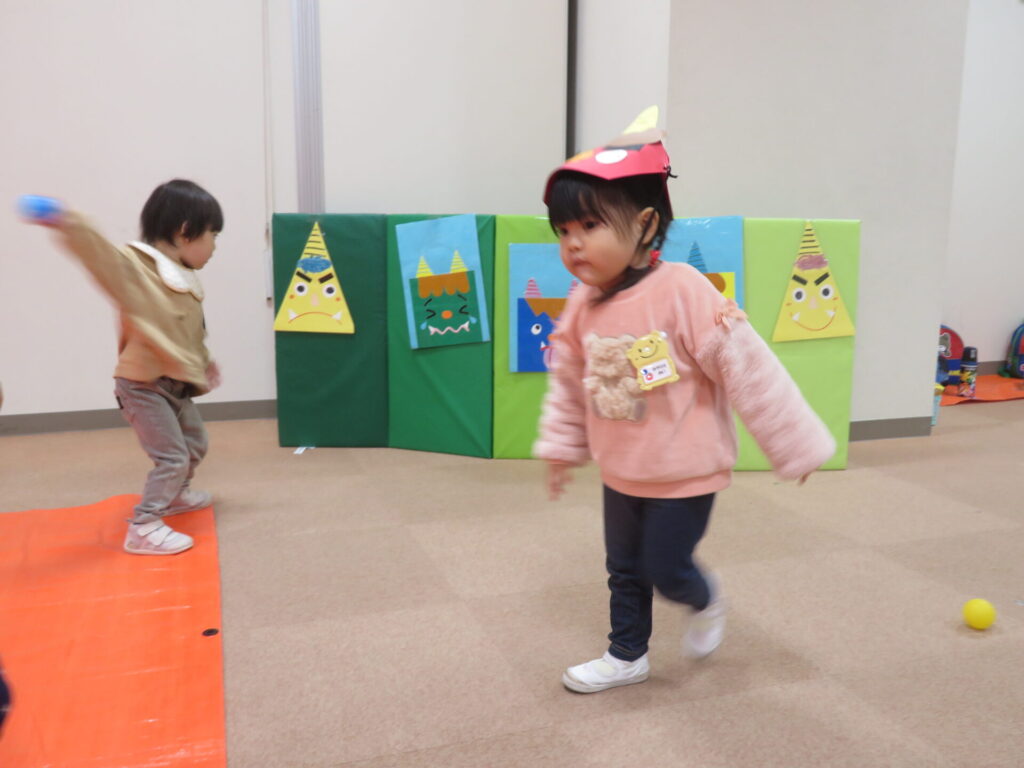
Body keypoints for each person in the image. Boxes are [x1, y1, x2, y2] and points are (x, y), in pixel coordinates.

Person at [534, 108, 835, 694]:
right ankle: (626, 655)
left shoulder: (685, 291)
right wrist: (562, 447)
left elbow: (750, 370)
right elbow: (568, 380)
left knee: (665, 568)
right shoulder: (581, 303)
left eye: (589, 225)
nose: (573, 244)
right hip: (622, 469)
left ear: (646, 223)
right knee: (623, 569)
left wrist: (795, 445)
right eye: (563, 231)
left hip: (685, 471)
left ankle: (704, 598)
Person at [27, 179, 224, 555]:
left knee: (195, 444)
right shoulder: (137, 268)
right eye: (213, 235)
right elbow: (98, 253)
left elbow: (186, 332)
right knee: (172, 457)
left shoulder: (182, 277)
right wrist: (66, 219)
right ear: (185, 231)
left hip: (176, 385)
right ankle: (144, 526)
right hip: (143, 385)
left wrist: (204, 362)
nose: (215, 246)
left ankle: (175, 495)